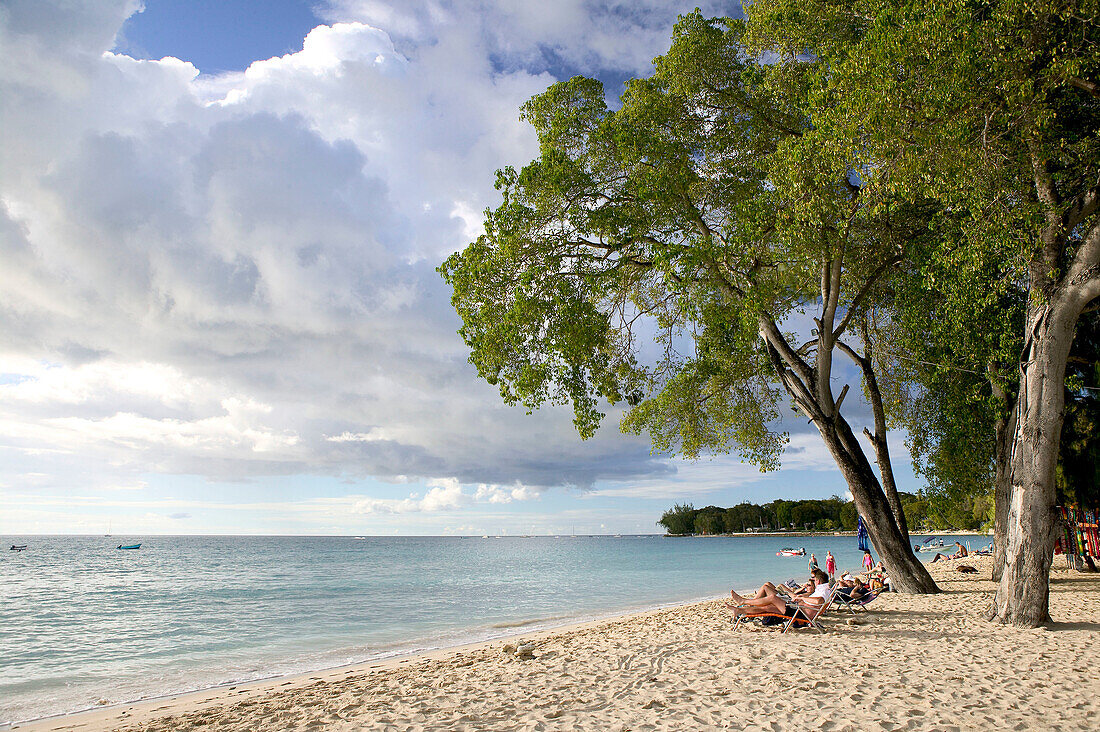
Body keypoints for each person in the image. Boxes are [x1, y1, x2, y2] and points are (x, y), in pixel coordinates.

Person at [729, 569, 832, 620]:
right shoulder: (825, 589)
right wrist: (801, 598)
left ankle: (743, 601)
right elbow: (817, 601)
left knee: (773, 597)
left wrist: (802, 598)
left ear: (818, 581)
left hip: (800, 613)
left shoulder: (823, 591)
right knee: (767, 608)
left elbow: (819, 601)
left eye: (814, 580)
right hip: (799, 610)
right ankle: (739, 610)